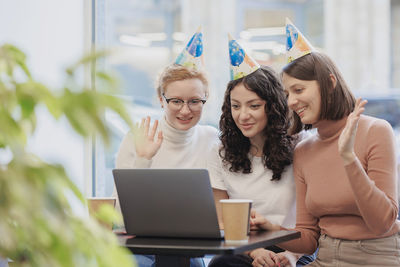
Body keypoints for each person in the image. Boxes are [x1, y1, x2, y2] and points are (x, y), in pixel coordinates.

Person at [252, 19, 400, 266]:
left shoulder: (376, 131)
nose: (290, 102)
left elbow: (382, 221)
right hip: (325, 258)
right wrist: (271, 229)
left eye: (299, 90)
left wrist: (348, 159)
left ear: (330, 83)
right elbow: (309, 239)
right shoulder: (304, 150)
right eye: (287, 94)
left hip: (378, 257)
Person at [113, 28, 219, 267]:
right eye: (176, 101)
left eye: (194, 101)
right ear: (161, 99)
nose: (185, 110)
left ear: (205, 99)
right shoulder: (138, 136)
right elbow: (118, 214)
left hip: (192, 250)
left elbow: (222, 203)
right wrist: (143, 159)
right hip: (139, 249)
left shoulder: (211, 139)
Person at [208, 36, 313, 267]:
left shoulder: (302, 146)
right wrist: (255, 252)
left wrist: (290, 256)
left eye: (254, 106)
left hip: (295, 245)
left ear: (273, 106)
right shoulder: (219, 152)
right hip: (245, 247)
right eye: (236, 106)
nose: (243, 116)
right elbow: (222, 222)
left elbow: (313, 225)